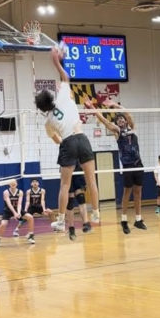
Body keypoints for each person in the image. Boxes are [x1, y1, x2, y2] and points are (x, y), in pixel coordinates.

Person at [36, 47, 100, 232]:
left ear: (42, 107)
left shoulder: (48, 121)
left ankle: (62, 221)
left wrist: (64, 145)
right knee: (91, 181)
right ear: (51, 97)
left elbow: (56, 139)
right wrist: (56, 62)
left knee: (65, 185)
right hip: (83, 138)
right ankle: (95, 213)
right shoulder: (63, 97)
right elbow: (65, 78)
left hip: (68, 142)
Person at [84, 98, 147, 235]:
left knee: (138, 192)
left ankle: (138, 219)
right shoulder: (117, 131)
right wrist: (93, 109)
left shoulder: (132, 128)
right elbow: (105, 121)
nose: (121, 121)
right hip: (127, 166)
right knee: (127, 193)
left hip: (138, 164)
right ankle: (124, 220)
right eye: (118, 120)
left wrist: (115, 105)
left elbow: (128, 114)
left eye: (122, 119)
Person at [0, 179, 35, 247]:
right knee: (3, 224)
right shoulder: (6, 192)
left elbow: (19, 204)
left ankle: (30, 235)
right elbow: (9, 204)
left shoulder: (20, 192)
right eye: (11, 183)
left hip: (17, 209)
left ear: (17, 184)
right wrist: (15, 213)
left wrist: (18, 212)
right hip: (8, 210)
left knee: (30, 217)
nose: (13, 184)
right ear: (9, 184)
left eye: (14, 183)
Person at [63, 163, 92, 241]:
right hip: (67, 172)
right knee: (70, 202)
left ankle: (86, 223)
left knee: (81, 198)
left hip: (78, 172)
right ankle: (71, 228)